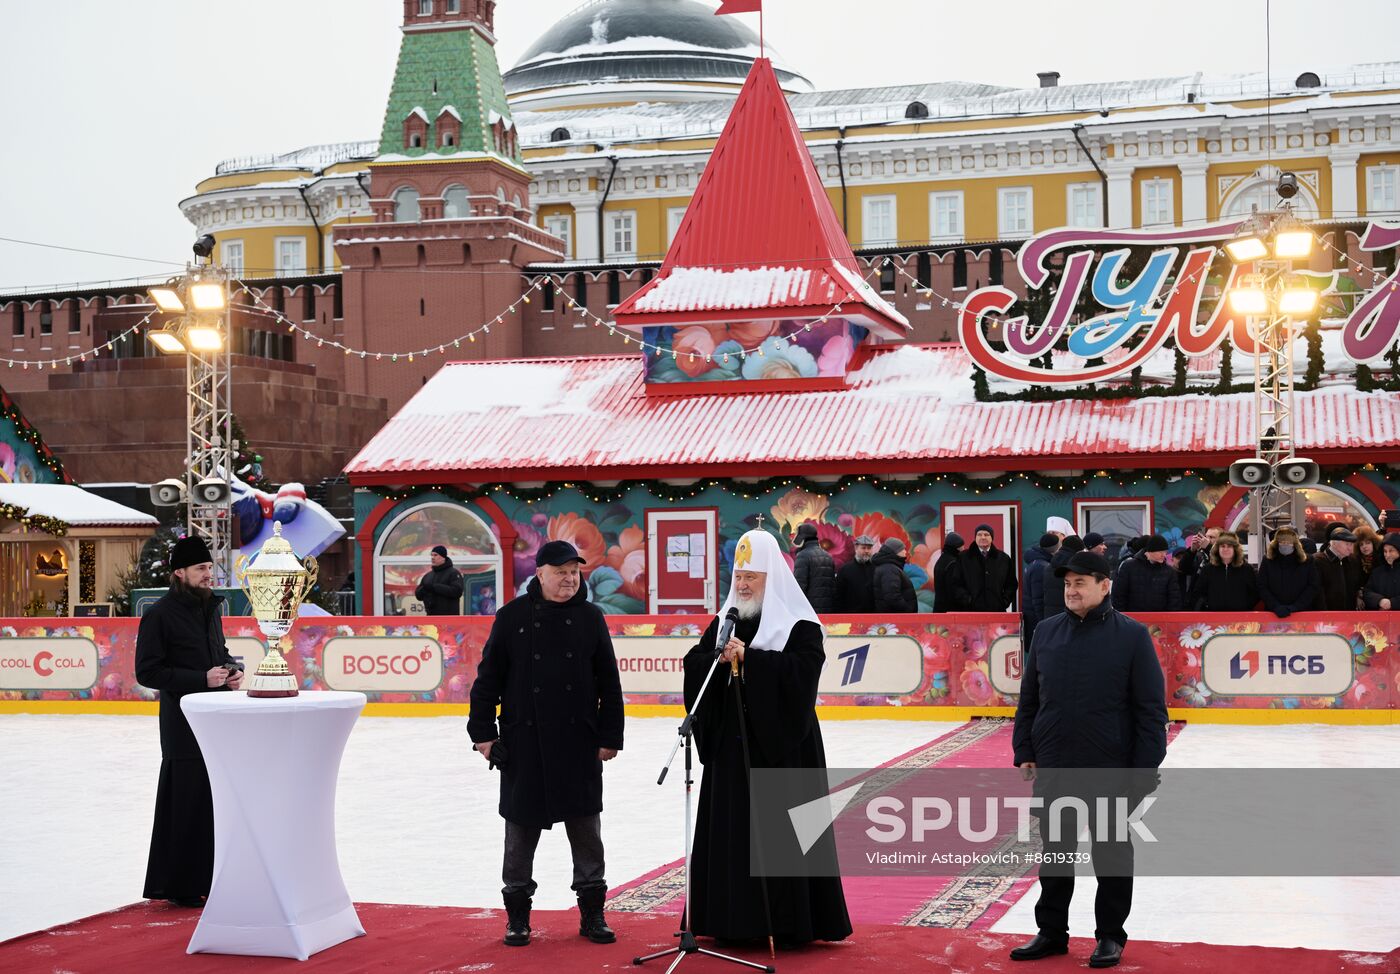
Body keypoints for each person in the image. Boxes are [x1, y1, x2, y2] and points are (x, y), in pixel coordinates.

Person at [682, 530, 852, 947]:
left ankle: (790, 924)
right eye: (738, 576)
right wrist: (719, 659)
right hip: (731, 750)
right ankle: (729, 920)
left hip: (783, 750)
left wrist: (750, 660)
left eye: (751, 578)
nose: (741, 585)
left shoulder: (801, 624)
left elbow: (802, 676)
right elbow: (696, 662)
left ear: (771, 578)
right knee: (734, 836)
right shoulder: (727, 619)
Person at [1010, 550, 1168, 969]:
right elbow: (1030, 699)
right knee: (1056, 854)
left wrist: (1144, 771)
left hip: (1110, 767)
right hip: (1055, 763)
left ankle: (1110, 936)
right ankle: (1051, 932)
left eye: (1080, 582)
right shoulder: (1045, 632)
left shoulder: (1131, 636)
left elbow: (1151, 710)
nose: (1071, 590)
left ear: (1104, 585)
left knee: (1112, 853)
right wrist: (1024, 750)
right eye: (1067, 583)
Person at [468, 540, 625, 948]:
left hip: (579, 743)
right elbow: (487, 682)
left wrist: (610, 737)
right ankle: (517, 917)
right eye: (560, 571)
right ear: (539, 574)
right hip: (524, 743)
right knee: (519, 835)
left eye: (574, 571)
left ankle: (593, 914)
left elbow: (609, 682)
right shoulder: (512, 617)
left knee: (587, 833)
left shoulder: (591, 618)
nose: (569, 579)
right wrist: (483, 734)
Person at [135, 535, 245, 909]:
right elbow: (148, 671)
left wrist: (231, 671)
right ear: (179, 573)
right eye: (200, 569)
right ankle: (180, 885)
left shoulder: (211, 609)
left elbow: (218, 652)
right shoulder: (159, 614)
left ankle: (211, 877)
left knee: (213, 802)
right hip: (183, 726)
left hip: (218, 721)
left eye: (209, 568)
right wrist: (200, 679)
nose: (208, 575)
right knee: (186, 802)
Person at [1111, 534, 1183, 613]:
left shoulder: (1169, 571)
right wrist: (1122, 618)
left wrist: (1169, 620)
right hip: (1132, 619)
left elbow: (1174, 600)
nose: (1164, 555)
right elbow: (1119, 596)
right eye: (1160, 552)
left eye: (1165, 552)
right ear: (1150, 551)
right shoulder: (1128, 566)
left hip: (1160, 620)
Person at [1257, 526, 1317, 618]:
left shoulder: (1307, 561)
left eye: (1289, 542)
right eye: (1282, 542)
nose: (1285, 544)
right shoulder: (1268, 560)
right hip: (1273, 614)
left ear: (1295, 543)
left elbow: (1313, 586)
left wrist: (1296, 607)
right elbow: (1262, 586)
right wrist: (1275, 606)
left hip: (1301, 613)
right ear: (1276, 543)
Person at [1193, 532, 1260, 612]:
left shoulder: (1247, 569)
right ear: (1218, 549)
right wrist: (1207, 605)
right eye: (1222, 546)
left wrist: (1245, 606)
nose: (1225, 549)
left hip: (1240, 617)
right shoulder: (1208, 569)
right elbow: (1199, 592)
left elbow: (1255, 592)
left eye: (1229, 546)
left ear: (1235, 549)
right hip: (1214, 616)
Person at [959, 523, 1018, 611]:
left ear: (992, 538)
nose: (983, 537)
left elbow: (1011, 584)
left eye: (986, 534)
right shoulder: (963, 558)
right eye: (979, 534)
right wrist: (967, 600)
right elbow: (956, 583)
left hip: (996, 611)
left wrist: (1003, 602)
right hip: (971, 612)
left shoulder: (1003, 559)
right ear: (975, 537)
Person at [1021, 532, 1059, 648]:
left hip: (1034, 621)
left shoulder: (1037, 563)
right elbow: (1038, 600)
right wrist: (1044, 624)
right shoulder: (1041, 567)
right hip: (1037, 623)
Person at [791, 522, 837, 613]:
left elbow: (800, 587)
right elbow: (833, 587)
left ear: (803, 538)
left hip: (810, 611)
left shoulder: (803, 556)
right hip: (828, 610)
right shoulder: (828, 556)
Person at [1313, 526, 1362, 611]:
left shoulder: (1352, 561)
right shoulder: (1318, 561)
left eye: (1352, 545)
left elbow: (1355, 586)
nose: (1351, 549)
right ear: (1334, 544)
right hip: (1327, 616)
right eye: (1347, 544)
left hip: (1349, 615)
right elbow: (1317, 593)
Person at [1039, 535, 1085, 620]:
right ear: (1078, 550)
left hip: (1050, 616)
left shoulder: (1049, 566)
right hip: (1069, 617)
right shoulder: (1074, 568)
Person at [416, 545, 464, 615]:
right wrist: (423, 589)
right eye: (431, 555)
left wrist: (435, 587)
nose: (432, 558)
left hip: (449, 619)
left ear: (443, 557)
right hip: (431, 618)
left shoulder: (453, 573)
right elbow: (418, 596)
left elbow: (457, 591)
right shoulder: (428, 576)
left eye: (435, 555)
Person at [872, 537, 917, 612]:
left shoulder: (889, 567)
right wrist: (908, 611)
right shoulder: (889, 569)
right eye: (902, 549)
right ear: (895, 552)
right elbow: (892, 597)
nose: (905, 552)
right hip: (897, 619)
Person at [834, 534, 877, 613]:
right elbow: (838, 596)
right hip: (851, 616)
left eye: (869, 548)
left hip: (874, 617)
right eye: (863, 548)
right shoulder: (845, 570)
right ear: (856, 548)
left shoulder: (876, 569)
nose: (867, 551)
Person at [932, 532, 970, 612]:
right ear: (957, 547)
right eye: (962, 546)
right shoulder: (953, 563)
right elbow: (954, 590)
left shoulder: (941, 560)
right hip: (951, 611)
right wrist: (968, 600)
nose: (964, 548)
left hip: (940, 609)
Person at [1362, 534, 1400, 610]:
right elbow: (1367, 592)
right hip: (1381, 619)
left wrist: (1393, 603)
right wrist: (1379, 600)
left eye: (1391, 550)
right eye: (1385, 551)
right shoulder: (1377, 572)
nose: (1387, 555)